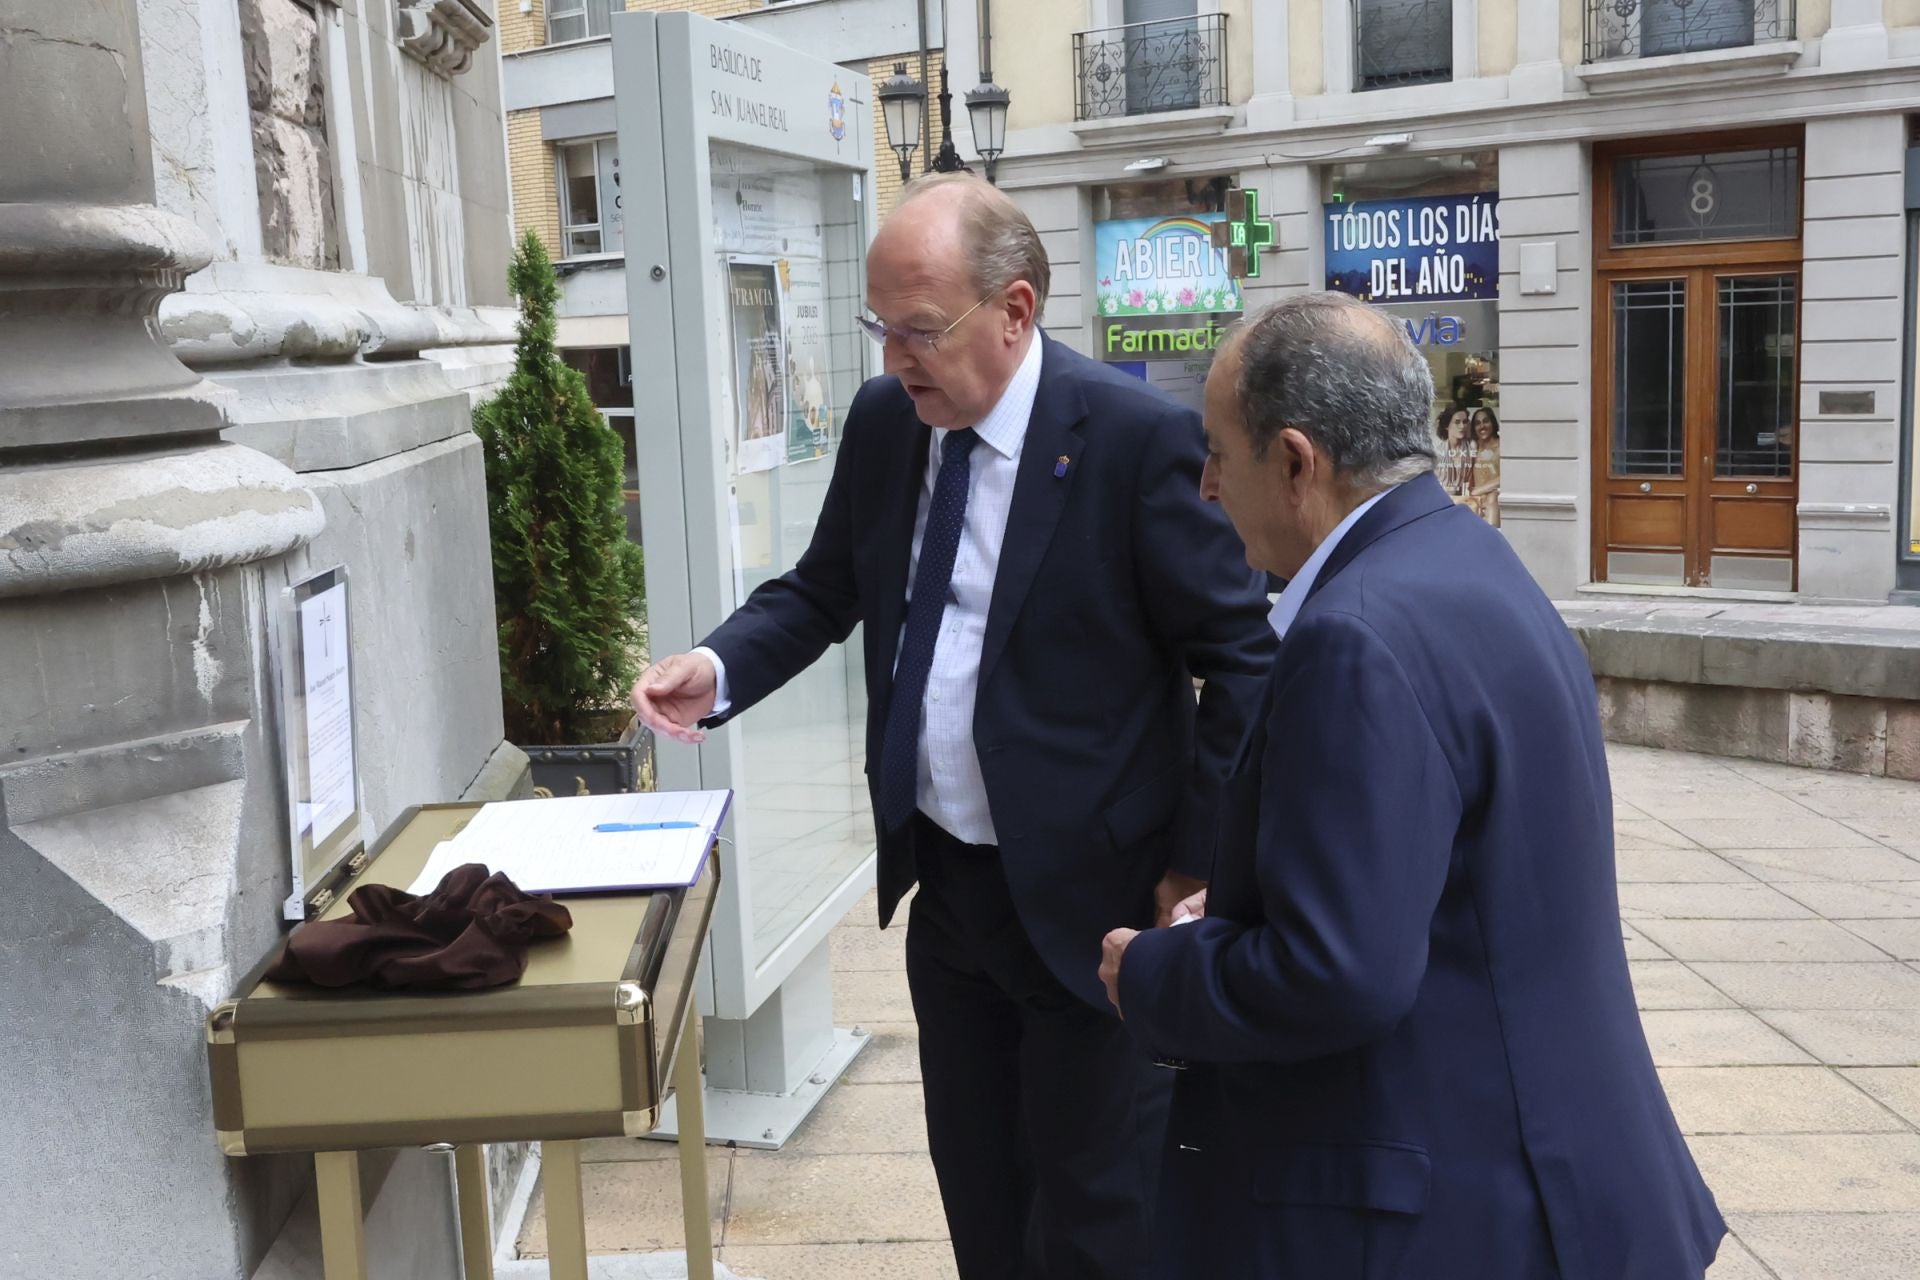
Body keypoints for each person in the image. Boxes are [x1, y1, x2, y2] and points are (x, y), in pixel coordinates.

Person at [632, 174, 1277, 1280]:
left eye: (920, 329)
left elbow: (1244, 660)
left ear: (1015, 310)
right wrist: (718, 665)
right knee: (982, 1202)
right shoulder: (891, 422)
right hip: (951, 897)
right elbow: (824, 587)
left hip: (1097, 908)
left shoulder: (1132, 440)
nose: (896, 358)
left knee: (1096, 1222)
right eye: (879, 328)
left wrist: (1193, 862)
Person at [1097, 293, 1724, 1279]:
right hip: (1553, 1173)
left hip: (1458, 1209)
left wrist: (1154, 972)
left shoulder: (1354, 636)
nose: (1207, 488)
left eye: (1217, 454)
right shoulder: (1464, 555)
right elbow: (1440, 876)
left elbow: (1336, 973)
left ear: (1296, 462)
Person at [1434, 405, 1474, 505]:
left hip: (1464, 499)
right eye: (1457, 422)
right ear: (1447, 425)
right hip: (1441, 499)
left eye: (1465, 422)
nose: (1462, 426)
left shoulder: (1471, 447)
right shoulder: (1438, 452)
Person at [1470, 406, 1501, 527]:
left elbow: (1506, 477)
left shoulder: (1502, 446)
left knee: (1492, 499)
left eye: (1486, 421)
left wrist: (1479, 490)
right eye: (1477, 423)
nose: (1482, 426)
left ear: (1493, 422)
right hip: (1475, 500)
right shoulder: (1474, 448)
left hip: (1493, 500)